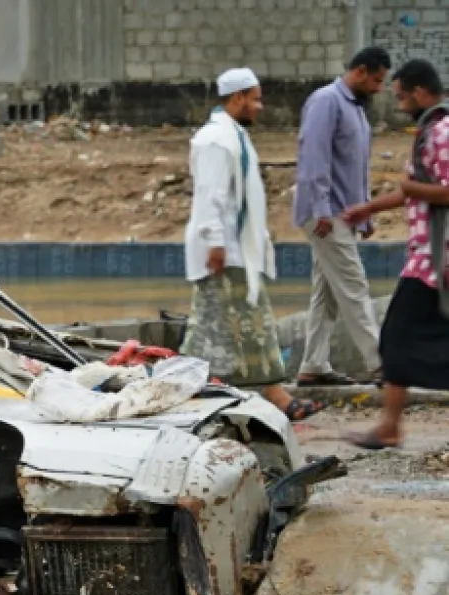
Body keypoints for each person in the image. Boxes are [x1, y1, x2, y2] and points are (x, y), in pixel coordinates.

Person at [181, 68, 324, 421]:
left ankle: (202, 395)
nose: (260, 106)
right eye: (256, 99)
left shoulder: (233, 136)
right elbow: (210, 195)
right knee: (241, 326)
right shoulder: (215, 140)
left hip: (236, 250)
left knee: (220, 329)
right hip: (224, 251)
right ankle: (275, 399)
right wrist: (215, 242)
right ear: (238, 97)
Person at [342, 59, 449, 449]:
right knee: (407, 337)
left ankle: (389, 427)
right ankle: (389, 426)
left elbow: (442, 190)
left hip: (436, 258)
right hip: (428, 254)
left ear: (420, 92)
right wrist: (369, 208)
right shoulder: (430, 131)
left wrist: (410, 187)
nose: (400, 105)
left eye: (402, 97)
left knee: (396, 334)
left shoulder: (442, 132)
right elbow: (414, 190)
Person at [294, 47, 392, 387]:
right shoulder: (327, 101)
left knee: (327, 293)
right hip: (326, 214)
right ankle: (380, 364)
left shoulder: (356, 109)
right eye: (376, 80)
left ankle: (313, 364)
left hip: (344, 214)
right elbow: (313, 158)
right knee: (353, 285)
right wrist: (321, 208)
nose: (379, 89)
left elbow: (355, 167)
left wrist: (365, 212)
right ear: (360, 71)